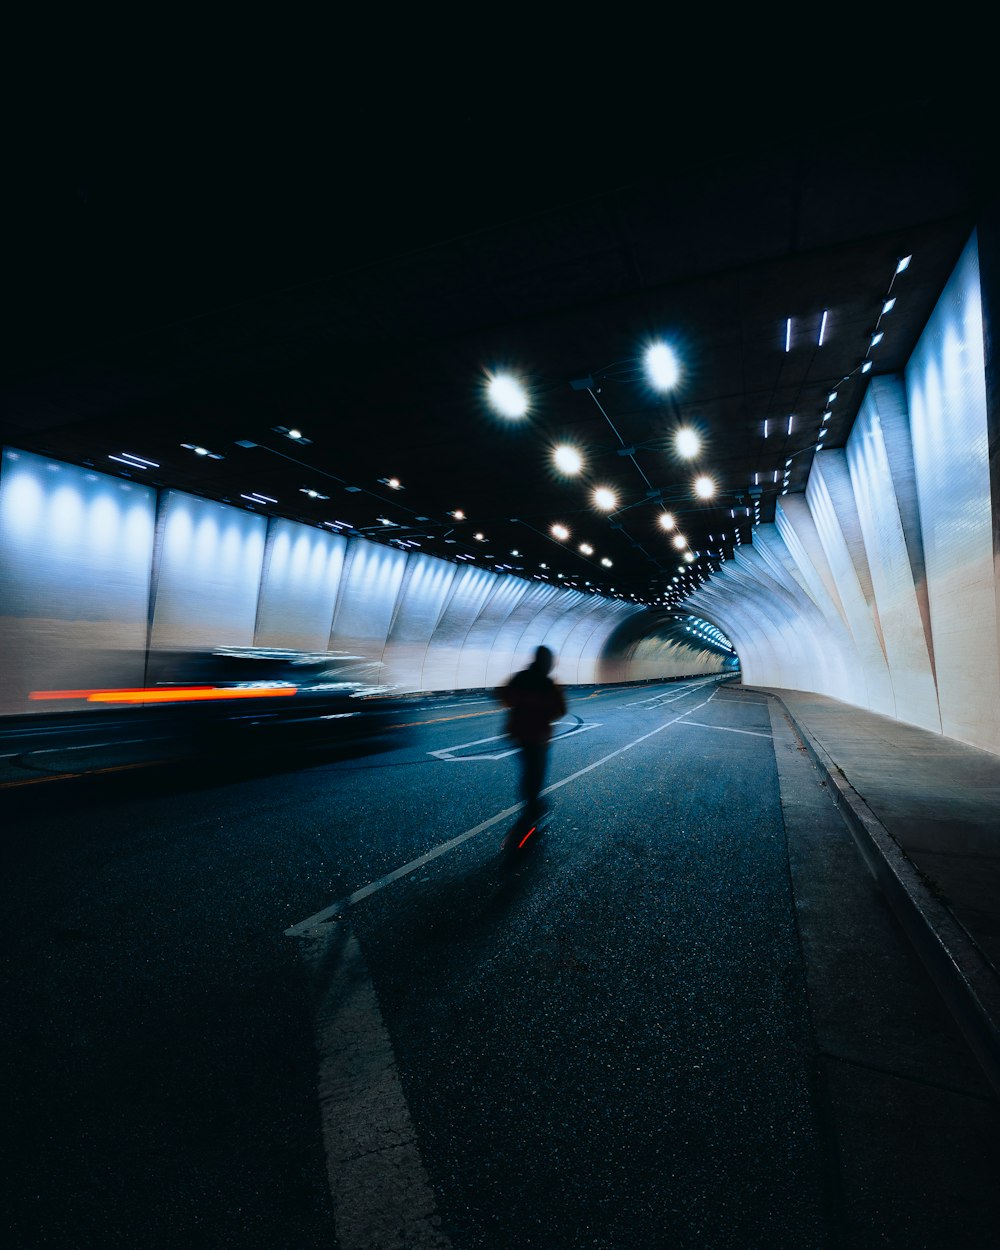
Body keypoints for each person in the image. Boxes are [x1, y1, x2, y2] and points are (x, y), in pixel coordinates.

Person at [497, 645, 566, 822]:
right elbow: (560, 710)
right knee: (537, 771)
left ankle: (530, 805)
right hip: (538, 736)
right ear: (547, 662)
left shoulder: (521, 677)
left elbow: (502, 696)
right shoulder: (547, 683)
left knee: (528, 770)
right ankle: (533, 806)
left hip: (519, 734)